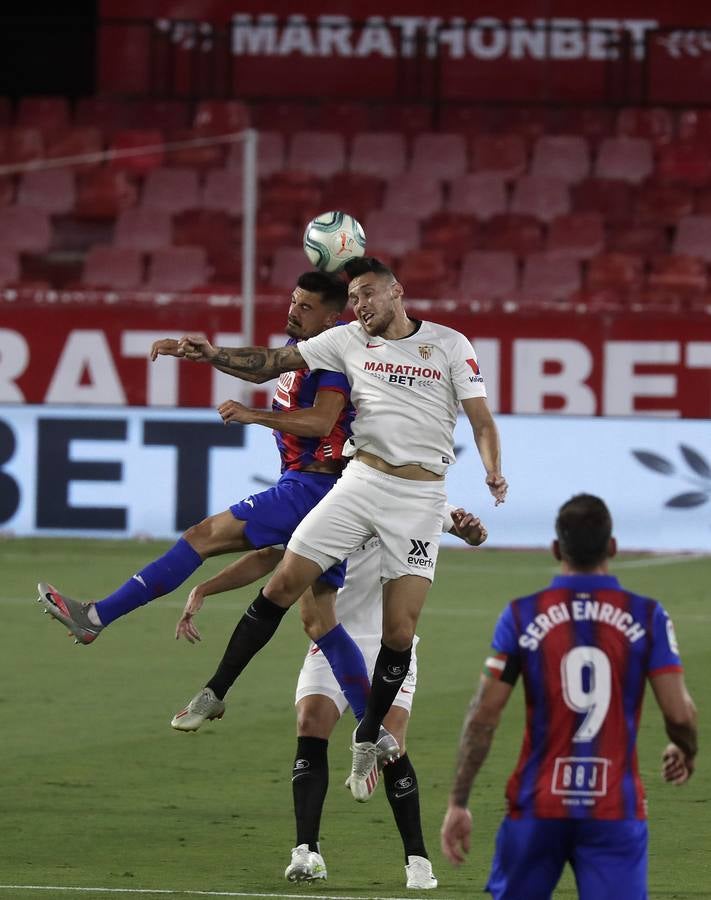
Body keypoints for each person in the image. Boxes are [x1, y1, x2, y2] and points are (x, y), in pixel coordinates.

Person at [158, 256, 508, 802]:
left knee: (399, 631)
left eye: (369, 294)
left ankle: (368, 736)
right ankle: (214, 691)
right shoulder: (345, 340)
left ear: (397, 292)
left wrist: (491, 467)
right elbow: (271, 362)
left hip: (419, 498)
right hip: (360, 481)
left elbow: (481, 419)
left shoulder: (448, 343)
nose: (361, 305)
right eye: (355, 298)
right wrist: (211, 355)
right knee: (281, 584)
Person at [37, 271, 375, 726]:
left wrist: (252, 414)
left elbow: (320, 421)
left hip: (313, 487)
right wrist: (207, 357)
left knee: (203, 536)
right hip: (317, 492)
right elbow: (262, 363)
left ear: (334, 317)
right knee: (320, 621)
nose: (293, 311)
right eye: (293, 301)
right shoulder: (307, 352)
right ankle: (374, 733)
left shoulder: (334, 355)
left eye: (306, 306)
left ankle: (97, 616)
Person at [172, 500, 488, 890]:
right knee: (310, 725)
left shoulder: (414, 496)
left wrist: (472, 532)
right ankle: (306, 851)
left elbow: (467, 530)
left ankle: (417, 860)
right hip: (332, 638)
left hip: (386, 646)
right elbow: (270, 557)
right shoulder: (327, 503)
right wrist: (207, 587)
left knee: (393, 748)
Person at [440, 494, 698, 900]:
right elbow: (680, 714)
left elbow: (483, 717)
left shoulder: (522, 615)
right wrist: (685, 748)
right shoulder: (647, 616)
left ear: (557, 549)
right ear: (612, 547)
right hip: (615, 809)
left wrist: (458, 801)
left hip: (536, 805)